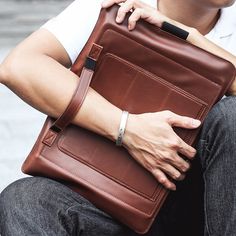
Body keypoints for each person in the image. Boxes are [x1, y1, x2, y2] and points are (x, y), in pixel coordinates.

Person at [0, 0, 236, 235]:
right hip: (108, 199)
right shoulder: (118, 7)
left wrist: (184, 35)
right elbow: (19, 67)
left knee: (232, 114)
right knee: (24, 200)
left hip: (203, 211)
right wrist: (127, 129)